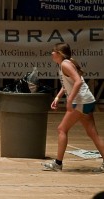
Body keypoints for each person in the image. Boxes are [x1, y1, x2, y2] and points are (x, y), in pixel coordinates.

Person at [42, 42, 104, 172]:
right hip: (87, 100)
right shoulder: (66, 63)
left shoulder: (65, 64)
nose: (51, 53)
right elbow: (68, 84)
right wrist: (58, 97)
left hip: (80, 102)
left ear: (59, 53)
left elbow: (78, 81)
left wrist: (70, 99)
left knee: (62, 129)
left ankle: (58, 164)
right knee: (93, 134)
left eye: (53, 51)